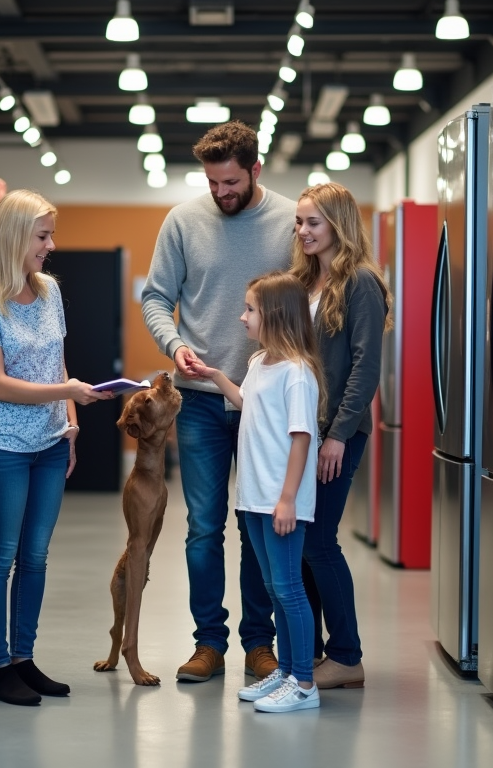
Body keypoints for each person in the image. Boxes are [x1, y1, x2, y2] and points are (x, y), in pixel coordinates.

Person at [141, 120, 295, 683]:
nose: (220, 193)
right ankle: (208, 643)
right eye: (212, 183)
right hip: (201, 401)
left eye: (230, 182)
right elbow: (156, 297)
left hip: (266, 401)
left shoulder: (288, 221)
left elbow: (307, 300)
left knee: (257, 523)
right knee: (204, 525)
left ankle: (260, 643)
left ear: (255, 169)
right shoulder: (183, 221)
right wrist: (174, 345)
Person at [0, 189, 112, 706]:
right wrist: (68, 395)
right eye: (42, 236)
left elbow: (56, 364)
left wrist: (69, 426)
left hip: (47, 444)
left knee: (35, 558)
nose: (51, 245)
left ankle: (24, 658)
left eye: (51, 235)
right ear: (15, 236)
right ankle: (0, 669)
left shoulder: (48, 292)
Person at [187, 271, 325, 712]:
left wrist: (287, 499)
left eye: (249, 309)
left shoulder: (298, 373)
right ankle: (284, 672)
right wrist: (213, 376)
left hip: (280, 500)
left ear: (275, 315)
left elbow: (302, 437)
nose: (241, 316)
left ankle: (304, 684)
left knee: (288, 589)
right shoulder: (259, 361)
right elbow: (247, 402)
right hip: (255, 497)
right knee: (271, 585)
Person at [290, 183, 390, 690]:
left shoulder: (361, 283)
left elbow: (365, 367)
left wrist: (337, 435)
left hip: (336, 434)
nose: (302, 231)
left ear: (339, 225)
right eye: (300, 223)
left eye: (313, 222)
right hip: (304, 432)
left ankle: (347, 656)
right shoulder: (305, 282)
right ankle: (310, 653)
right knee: (303, 540)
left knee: (318, 541)